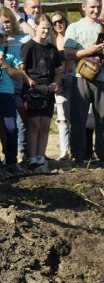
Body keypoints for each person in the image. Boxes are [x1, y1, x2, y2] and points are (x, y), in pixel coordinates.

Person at [64, 0, 104, 168]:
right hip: (80, 76)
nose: (96, 10)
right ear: (84, 7)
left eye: (98, 7)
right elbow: (67, 54)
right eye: (92, 7)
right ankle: (79, 157)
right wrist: (90, 50)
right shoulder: (74, 27)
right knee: (78, 119)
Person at [19, 14, 62, 174]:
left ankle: (40, 156)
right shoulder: (28, 46)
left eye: (48, 29)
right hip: (33, 91)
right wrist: (32, 83)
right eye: (43, 27)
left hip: (48, 92)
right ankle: (31, 159)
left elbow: (58, 71)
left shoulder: (52, 49)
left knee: (44, 125)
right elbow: (21, 69)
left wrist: (55, 83)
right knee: (33, 125)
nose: (46, 31)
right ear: (36, 27)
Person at [0, 23, 24, 174]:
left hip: (7, 94)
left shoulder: (12, 52)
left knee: (11, 128)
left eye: (0, 35)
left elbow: (18, 76)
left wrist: (4, 64)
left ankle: (11, 161)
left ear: (4, 37)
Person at [50, 10, 72, 160]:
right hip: (58, 80)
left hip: (74, 77)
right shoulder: (51, 40)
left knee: (75, 116)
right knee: (62, 115)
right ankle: (64, 151)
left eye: (61, 21)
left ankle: (76, 149)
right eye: (55, 22)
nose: (58, 24)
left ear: (65, 21)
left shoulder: (72, 37)